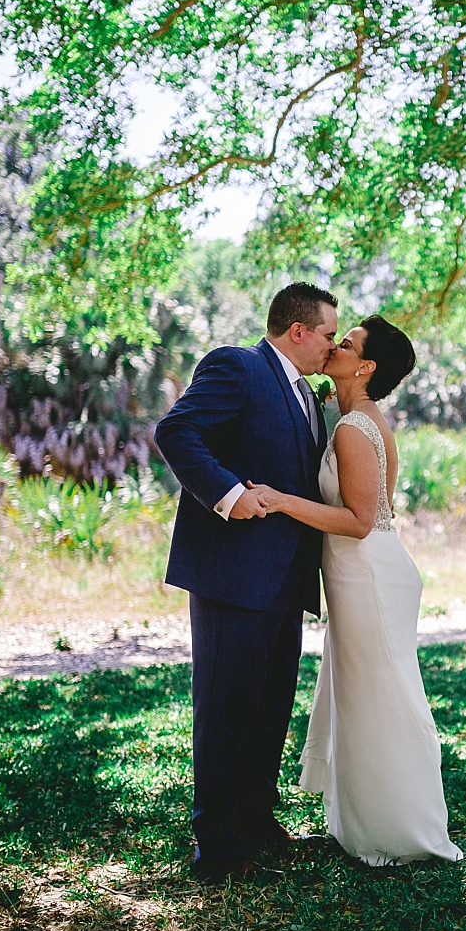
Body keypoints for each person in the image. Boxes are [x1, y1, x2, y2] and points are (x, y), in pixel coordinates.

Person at [248, 315, 464, 866]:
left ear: (364, 367)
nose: (333, 346)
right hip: (359, 573)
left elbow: (361, 520)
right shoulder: (349, 417)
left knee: (382, 696)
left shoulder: (353, 427)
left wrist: (280, 500)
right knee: (363, 694)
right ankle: (362, 822)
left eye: (344, 344)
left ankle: (398, 831)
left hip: (367, 572)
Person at [154, 282, 338, 882]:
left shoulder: (310, 398)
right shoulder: (237, 366)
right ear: (298, 331)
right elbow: (176, 433)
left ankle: (258, 823)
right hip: (232, 575)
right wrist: (228, 496)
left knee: (268, 710)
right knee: (225, 711)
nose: (333, 345)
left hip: (287, 580)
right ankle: (219, 852)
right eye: (329, 334)